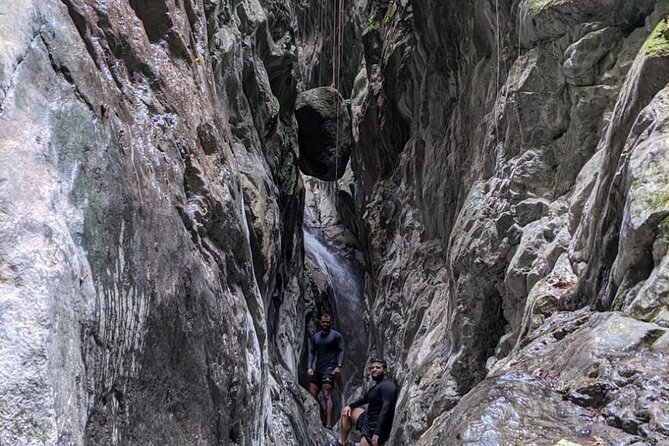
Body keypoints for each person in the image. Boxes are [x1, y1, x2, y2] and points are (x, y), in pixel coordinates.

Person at [335, 358, 397, 446]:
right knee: (347, 412)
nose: (374, 369)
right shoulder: (377, 386)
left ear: (385, 371)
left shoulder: (388, 386)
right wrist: (349, 406)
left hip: (374, 427)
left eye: (378, 368)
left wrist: (377, 433)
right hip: (367, 419)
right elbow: (364, 398)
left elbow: (385, 410)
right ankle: (341, 443)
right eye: (372, 368)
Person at [307, 313, 346, 429]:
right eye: (323, 322)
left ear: (330, 323)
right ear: (320, 322)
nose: (325, 324)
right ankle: (321, 417)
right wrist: (309, 366)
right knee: (311, 393)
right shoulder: (316, 337)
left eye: (327, 322)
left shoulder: (336, 336)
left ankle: (328, 424)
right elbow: (312, 352)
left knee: (326, 395)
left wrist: (338, 366)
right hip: (318, 369)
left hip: (329, 369)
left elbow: (342, 350)